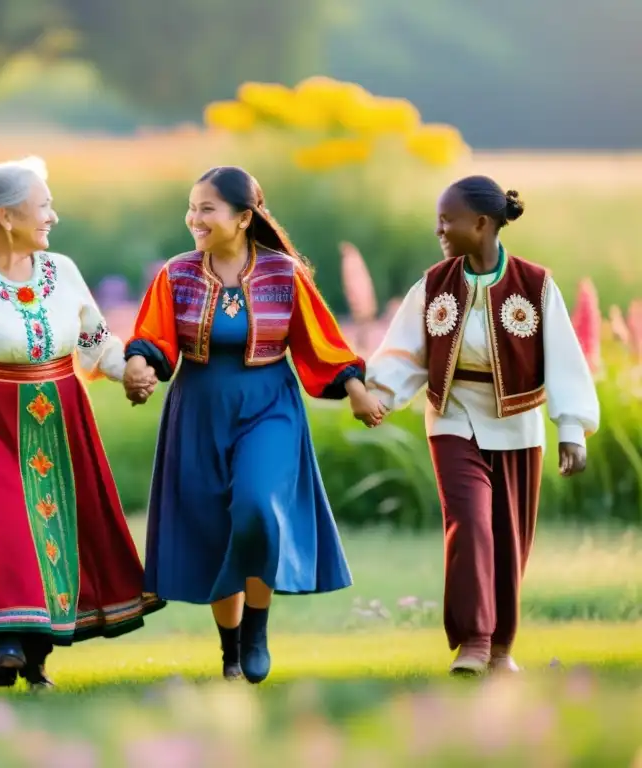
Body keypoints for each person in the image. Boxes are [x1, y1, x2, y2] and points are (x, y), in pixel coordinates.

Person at [0, 156, 164, 689]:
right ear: (8, 217)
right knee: (8, 526)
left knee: (57, 526)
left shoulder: (63, 272)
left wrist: (128, 371)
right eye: (44, 206)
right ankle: (7, 643)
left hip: (60, 410)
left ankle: (36, 657)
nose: (53, 217)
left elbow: (93, 340)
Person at [122, 166, 384, 684]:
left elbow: (322, 343)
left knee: (258, 508)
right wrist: (139, 367)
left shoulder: (284, 275)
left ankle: (256, 630)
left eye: (206, 209)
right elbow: (153, 338)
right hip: (197, 410)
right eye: (192, 207)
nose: (193, 218)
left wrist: (355, 389)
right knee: (217, 528)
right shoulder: (175, 274)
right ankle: (230, 653)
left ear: (243, 218)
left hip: (270, 407)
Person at [364, 175, 600, 675]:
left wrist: (572, 429)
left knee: (509, 537)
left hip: (516, 422)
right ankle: (473, 640)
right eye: (438, 220)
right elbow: (405, 349)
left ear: (482, 223)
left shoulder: (535, 285)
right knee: (469, 523)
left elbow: (563, 359)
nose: (440, 230)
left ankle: (500, 650)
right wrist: (380, 396)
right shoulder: (433, 284)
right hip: (451, 417)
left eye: (448, 220)